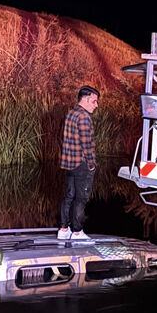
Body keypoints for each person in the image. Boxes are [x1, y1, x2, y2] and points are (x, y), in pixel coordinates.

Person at [58, 85, 99, 240]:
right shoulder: (84, 117)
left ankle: (63, 229)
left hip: (69, 163)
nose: (96, 105)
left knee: (69, 196)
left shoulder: (71, 113)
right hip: (81, 164)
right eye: (94, 101)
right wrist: (91, 163)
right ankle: (77, 232)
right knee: (81, 198)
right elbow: (87, 144)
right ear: (87, 99)